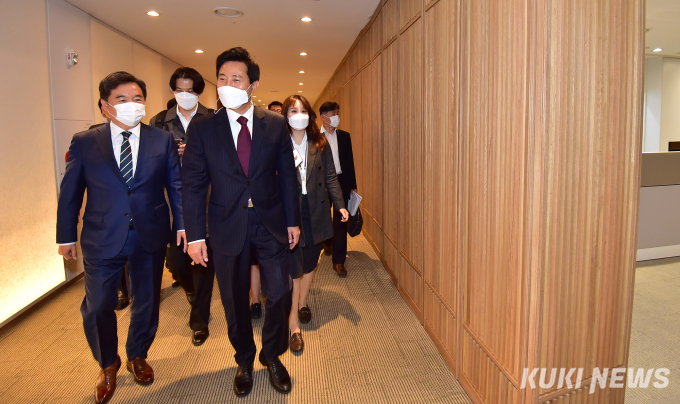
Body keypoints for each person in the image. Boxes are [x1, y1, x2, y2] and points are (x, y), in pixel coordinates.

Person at [56, 71, 184, 404]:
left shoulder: (161, 140)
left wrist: (183, 226)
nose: (132, 104)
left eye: (138, 98)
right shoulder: (85, 142)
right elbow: (70, 194)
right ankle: (108, 362)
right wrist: (65, 235)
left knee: (147, 300)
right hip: (102, 235)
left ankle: (137, 354)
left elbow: (176, 187)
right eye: (122, 99)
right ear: (105, 106)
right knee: (98, 305)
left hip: (149, 233)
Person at [182, 47, 300, 397]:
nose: (227, 85)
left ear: (253, 85)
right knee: (234, 301)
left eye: (236, 79)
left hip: (269, 222)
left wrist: (293, 221)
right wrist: (195, 235)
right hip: (226, 224)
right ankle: (245, 359)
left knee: (280, 293)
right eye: (222, 78)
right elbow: (193, 184)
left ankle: (272, 355)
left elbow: (287, 177)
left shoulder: (274, 124)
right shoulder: (204, 128)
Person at [149, 67, 214, 346]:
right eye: (179, 90)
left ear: (199, 92)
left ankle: (199, 320)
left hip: (208, 198)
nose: (185, 95)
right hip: (172, 198)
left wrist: (198, 153)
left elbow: (225, 156)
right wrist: (169, 155)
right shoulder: (159, 121)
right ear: (172, 91)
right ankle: (189, 289)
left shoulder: (213, 118)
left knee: (204, 262)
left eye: (190, 90)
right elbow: (149, 160)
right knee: (176, 262)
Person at [282, 95, 348, 352]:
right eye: (293, 110)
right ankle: (293, 325)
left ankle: (302, 302)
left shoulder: (319, 142)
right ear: (285, 115)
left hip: (316, 210)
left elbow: (330, 176)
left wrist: (340, 205)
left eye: (302, 110)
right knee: (294, 268)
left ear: (309, 115)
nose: (298, 114)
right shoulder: (278, 142)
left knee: (310, 263)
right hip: (290, 213)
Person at [89, 100, 131, 311]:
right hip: (108, 215)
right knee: (115, 258)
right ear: (105, 109)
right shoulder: (91, 136)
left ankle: (139, 293)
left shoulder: (147, 137)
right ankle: (123, 292)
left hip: (138, 214)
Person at [320, 102, 357, 277]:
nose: (337, 117)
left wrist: (352, 185)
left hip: (341, 180)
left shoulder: (344, 136)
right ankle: (327, 242)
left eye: (337, 113)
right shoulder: (315, 137)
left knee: (341, 220)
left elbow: (349, 162)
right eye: (333, 114)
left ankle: (339, 261)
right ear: (323, 117)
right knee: (323, 217)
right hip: (321, 183)